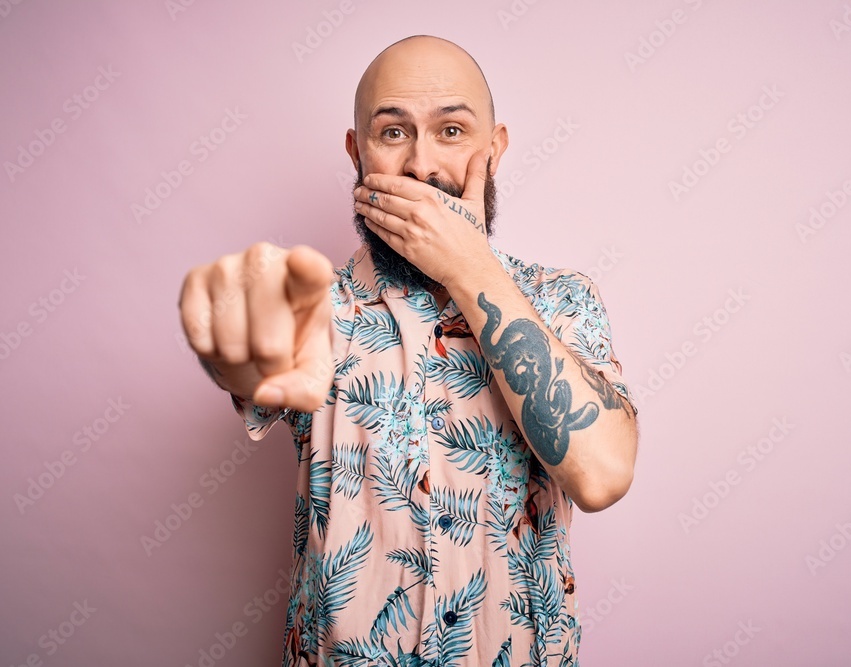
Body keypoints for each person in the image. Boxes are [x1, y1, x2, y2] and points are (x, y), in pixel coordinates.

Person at [178, 34, 638, 667]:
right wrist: (231, 345)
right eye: (393, 134)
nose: (422, 166)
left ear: (494, 150)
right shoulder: (314, 310)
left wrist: (468, 268)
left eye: (452, 130)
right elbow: (250, 367)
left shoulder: (562, 302)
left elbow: (602, 474)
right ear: (357, 152)